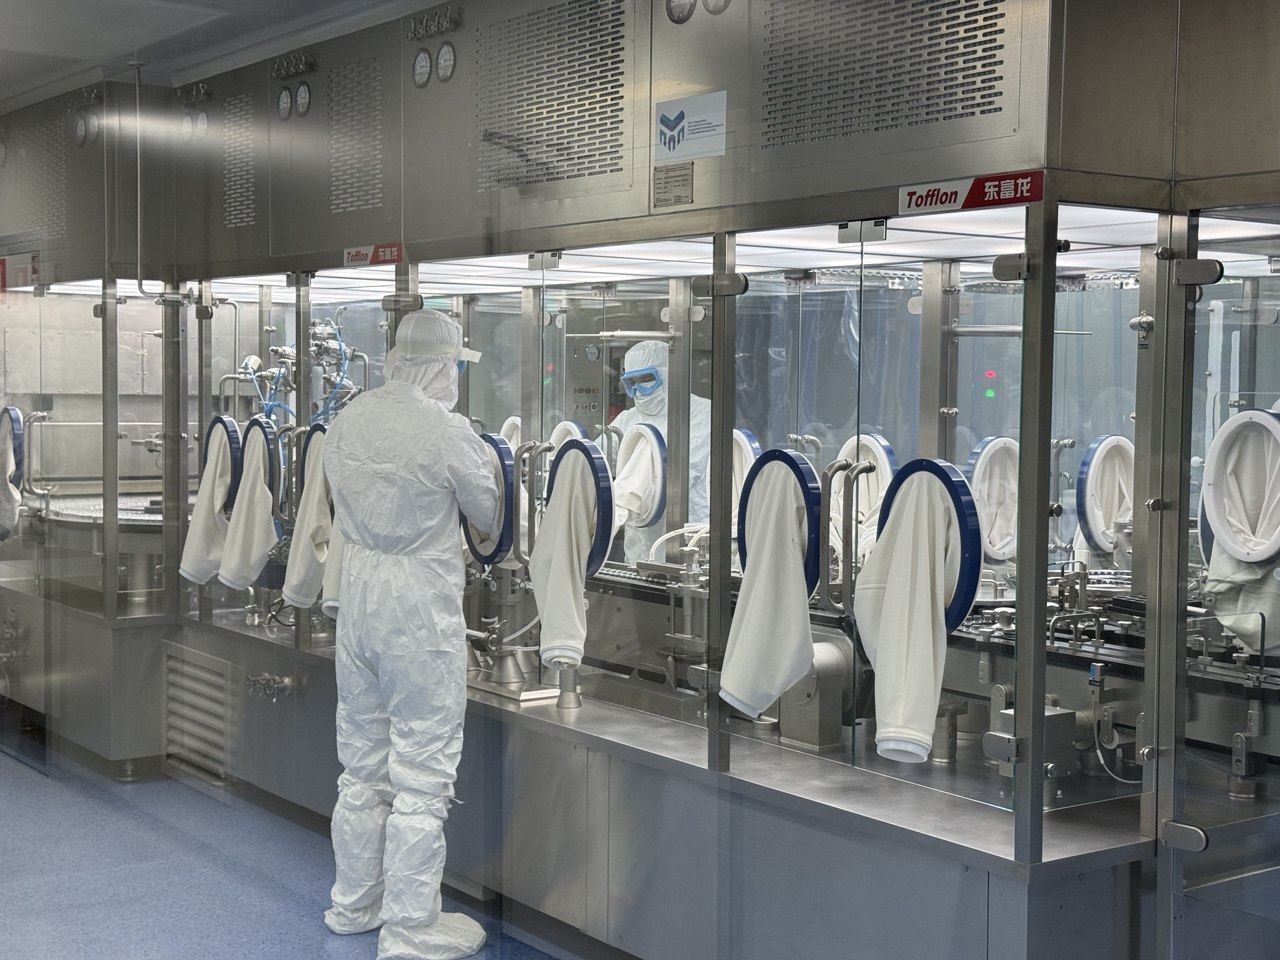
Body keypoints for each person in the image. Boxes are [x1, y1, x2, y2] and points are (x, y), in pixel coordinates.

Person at [322, 310, 500, 960]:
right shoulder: (446, 430)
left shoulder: (349, 418)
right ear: (439, 365)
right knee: (423, 772)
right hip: (418, 609)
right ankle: (409, 927)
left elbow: (338, 499)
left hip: (360, 594)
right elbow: (490, 515)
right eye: (453, 366)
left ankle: (354, 904)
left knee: (362, 766)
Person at [609, 340, 711, 563]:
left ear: (669, 375)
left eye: (647, 379)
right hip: (639, 546)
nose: (638, 389)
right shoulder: (627, 419)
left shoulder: (702, 414)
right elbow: (599, 464)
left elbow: (675, 474)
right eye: (631, 382)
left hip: (690, 540)